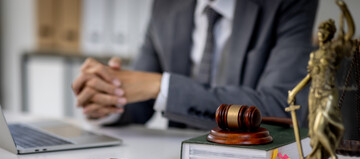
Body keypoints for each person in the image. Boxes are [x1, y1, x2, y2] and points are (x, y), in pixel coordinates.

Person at [72, 0, 318, 129]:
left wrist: (163, 87)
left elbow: (281, 107)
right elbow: (141, 101)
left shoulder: (290, 4)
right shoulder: (165, 6)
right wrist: (108, 98)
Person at [287, 0, 356, 159]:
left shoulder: (335, 50)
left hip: (327, 94)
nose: (321, 34)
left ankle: (333, 158)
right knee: (314, 134)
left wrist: (344, 9)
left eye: (324, 31)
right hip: (314, 95)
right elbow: (310, 76)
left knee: (320, 128)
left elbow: (351, 32)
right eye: (319, 31)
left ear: (330, 34)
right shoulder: (315, 54)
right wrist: (295, 91)